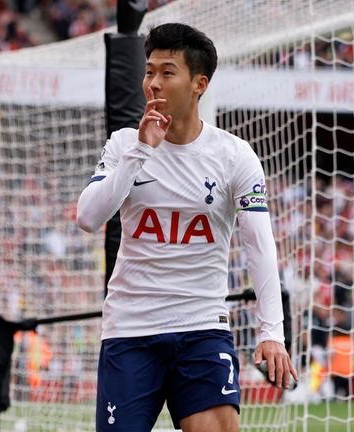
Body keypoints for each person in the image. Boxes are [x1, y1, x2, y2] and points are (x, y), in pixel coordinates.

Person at [76, 23, 297, 432]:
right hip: (130, 329)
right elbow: (88, 218)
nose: (153, 83)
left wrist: (272, 331)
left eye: (167, 72)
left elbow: (260, 247)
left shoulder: (235, 156)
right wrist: (141, 150)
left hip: (201, 328)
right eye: (148, 72)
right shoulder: (124, 144)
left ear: (200, 83)